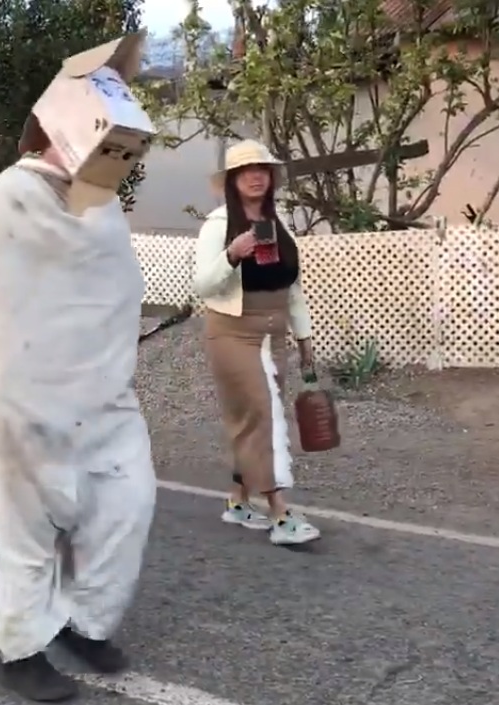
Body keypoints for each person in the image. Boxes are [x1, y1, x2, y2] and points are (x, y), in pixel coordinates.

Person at [0, 113, 156, 701]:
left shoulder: (102, 207)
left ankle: (87, 625)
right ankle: (20, 649)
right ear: (53, 138)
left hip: (104, 395)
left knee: (127, 507)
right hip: (24, 398)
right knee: (27, 535)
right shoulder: (5, 197)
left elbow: (114, 291)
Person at [191, 139, 321, 547]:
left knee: (255, 417)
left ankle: (238, 499)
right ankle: (279, 511)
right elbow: (203, 285)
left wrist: (304, 338)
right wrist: (232, 254)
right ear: (232, 180)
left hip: (274, 329)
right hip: (233, 330)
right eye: (247, 171)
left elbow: (292, 286)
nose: (256, 177)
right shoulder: (217, 224)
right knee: (264, 416)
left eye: (263, 170)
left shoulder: (277, 223)